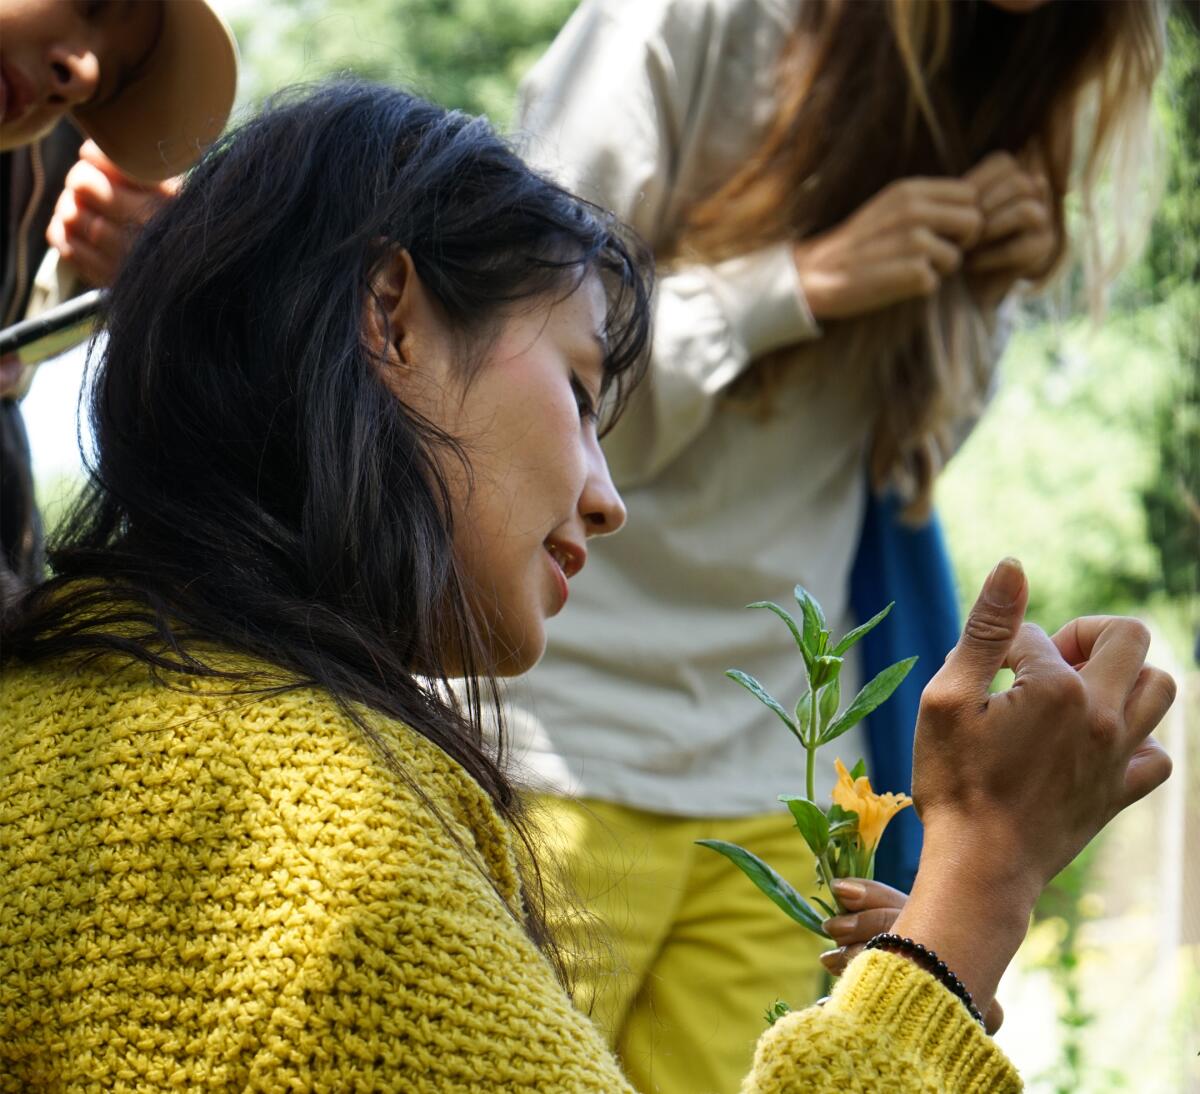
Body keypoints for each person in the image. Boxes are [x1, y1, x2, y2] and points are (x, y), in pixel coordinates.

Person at [0, 80, 1176, 1092]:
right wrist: (981, 880)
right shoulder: (306, 846)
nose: (609, 498)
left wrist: (918, 970)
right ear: (390, 313)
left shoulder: (70, 713)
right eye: (575, 387)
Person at [505, 1, 1164, 1086]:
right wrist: (797, 285)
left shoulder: (1004, 72)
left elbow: (908, 463)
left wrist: (982, 294)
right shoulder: (685, 23)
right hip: (554, 732)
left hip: (779, 773)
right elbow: (528, 382)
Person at [0, 0, 238, 603]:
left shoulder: (49, 156)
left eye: (112, 81)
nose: (83, 74)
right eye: (91, 4)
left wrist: (163, 283)